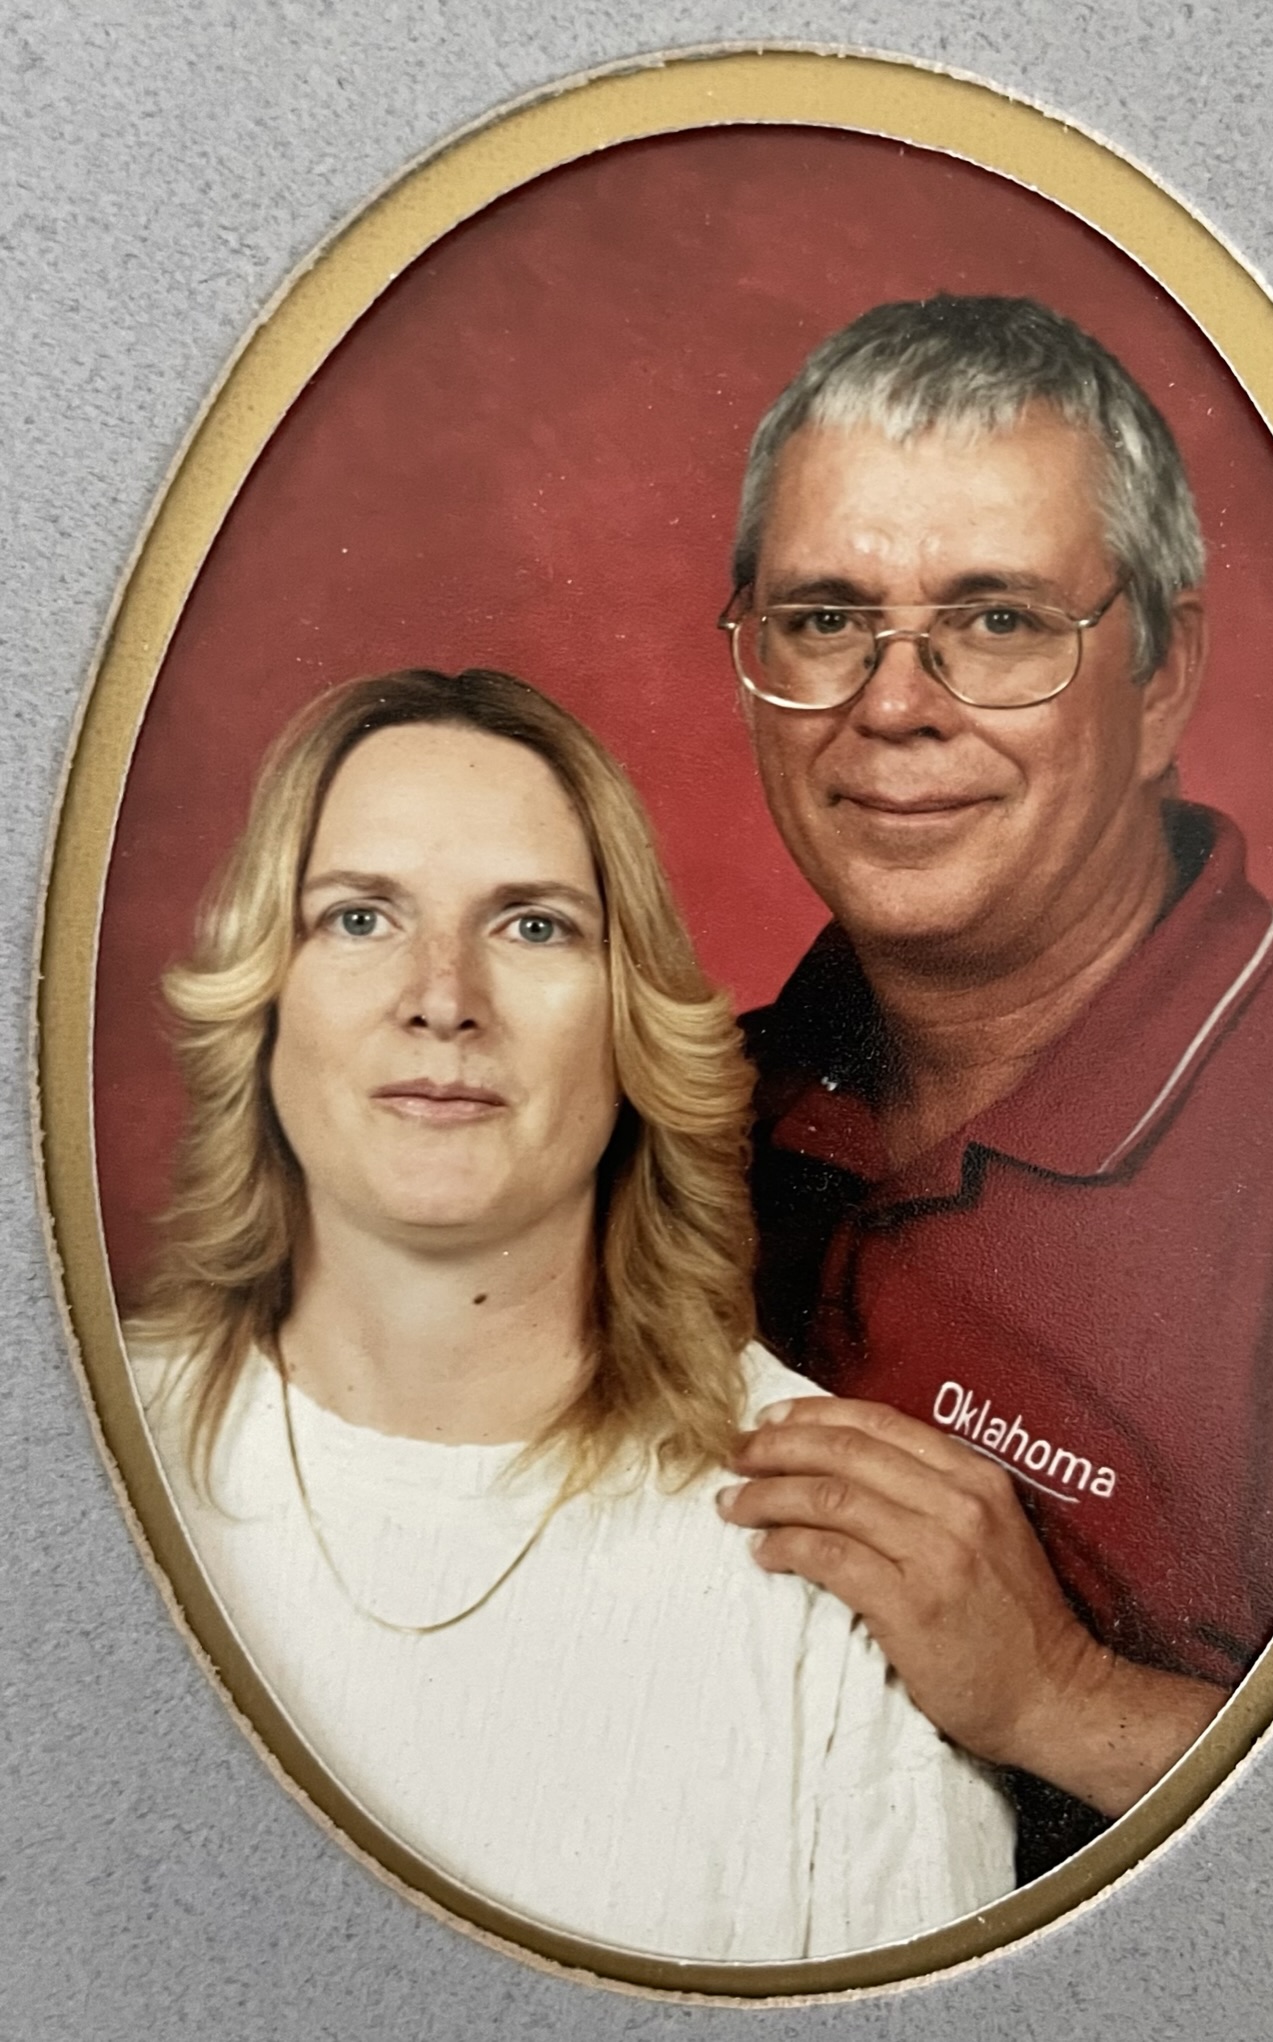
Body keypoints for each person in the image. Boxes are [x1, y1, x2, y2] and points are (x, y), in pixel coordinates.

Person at [130, 667, 1015, 1961]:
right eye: (359, 917)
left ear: (632, 1025)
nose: (443, 996)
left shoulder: (830, 1560)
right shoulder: (73, 1458)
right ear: (262, 1002)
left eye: (533, 926)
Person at [712, 296, 1273, 1873]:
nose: (894, 704)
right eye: (825, 617)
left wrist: (1063, 1693)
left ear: (1163, 675)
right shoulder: (689, 1106)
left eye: (998, 622)